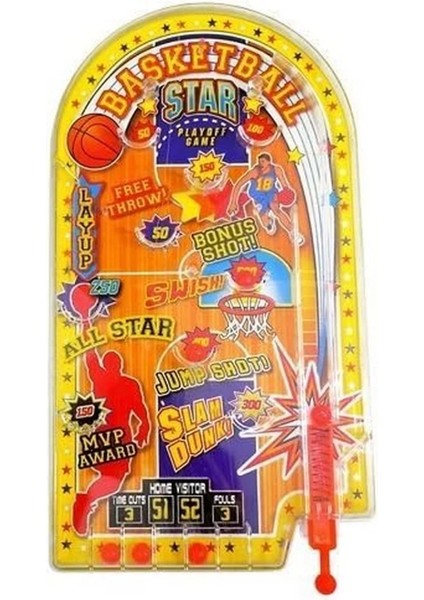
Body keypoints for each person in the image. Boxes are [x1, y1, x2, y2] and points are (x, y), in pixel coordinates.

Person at [72, 348, 150, 535]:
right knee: (112, 480)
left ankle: (85, 501)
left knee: (114, 481)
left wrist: (144, 429)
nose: (113, 366)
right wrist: (85, 329)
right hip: (105, 436)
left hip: (119, 438)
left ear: (118, 366)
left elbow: (141, 410)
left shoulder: (125, 383)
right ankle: (85, 502)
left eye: (114, 363)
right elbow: (90, 358)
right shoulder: (104, 378)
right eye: (111, 363)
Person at [228, 153, 303, 242]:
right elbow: (238, 184)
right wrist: (233, 203)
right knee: (266, 224)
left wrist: (286, 194)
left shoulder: (276, 169)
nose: (260, 164)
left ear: (269, 162)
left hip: (271, 193)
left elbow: (285, 185)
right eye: (259, 162)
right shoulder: (255, 172)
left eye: (263, 161)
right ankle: (268, 221)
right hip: (258, 196)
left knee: (276, 210)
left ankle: (293, 232)